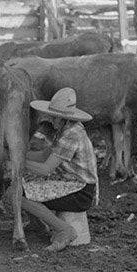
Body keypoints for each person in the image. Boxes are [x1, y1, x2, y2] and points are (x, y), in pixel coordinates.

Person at [21, 87, 98, 257]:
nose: (51, 120)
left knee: (18, 193)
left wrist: (19, 163)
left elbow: (46, 169)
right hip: (69, 182)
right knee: (21, 182)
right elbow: (43, 155)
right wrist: (17, 154)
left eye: (54, 117)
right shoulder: (65, 130)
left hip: (81, 191)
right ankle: (38, 224)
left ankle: (65, 230)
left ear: (64, 118)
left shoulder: (72, 135)